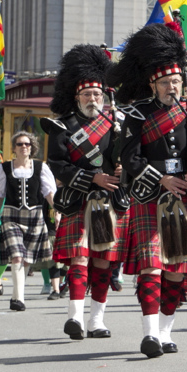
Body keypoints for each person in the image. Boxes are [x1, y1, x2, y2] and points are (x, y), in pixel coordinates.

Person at [108, 22, 187, 358]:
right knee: (152, 266)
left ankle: (165, 329)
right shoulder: (137, 114)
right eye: (165, 82)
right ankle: (149, 335)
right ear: (153, 84)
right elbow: (128, 156)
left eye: (176, 80)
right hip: (151, 198)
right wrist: (161, 177)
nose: (172, 86)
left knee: (177, 273)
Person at [42, 44, 130, 340]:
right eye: (87, 94)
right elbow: (57, 165)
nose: (93, 99)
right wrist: (94, 178)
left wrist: (122, 172)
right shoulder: (63, 126)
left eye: (97, 94)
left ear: (104, 96)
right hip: (80, 199)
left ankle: (96, 320)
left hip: (109, 203)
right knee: (80, 258)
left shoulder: (118, 124)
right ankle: (75, 317)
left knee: (103, 262)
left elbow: (132, 159)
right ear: (76, 96)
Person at [0, 131, 57, 311]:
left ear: (32, 147)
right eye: (20, 144)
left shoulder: (41, 167)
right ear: (14, 148)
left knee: (27, 260)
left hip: (35, 217)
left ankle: (15, 296)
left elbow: (49, 193)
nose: (24, 147)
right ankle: (20, 298)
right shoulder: (4, 168)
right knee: (17, 255)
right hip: (11, 216)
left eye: (27, 144)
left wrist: (57, 212)